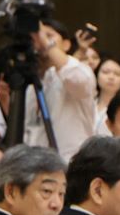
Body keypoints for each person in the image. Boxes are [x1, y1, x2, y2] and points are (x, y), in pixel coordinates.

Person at [23, 18, 102, 162]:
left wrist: (45, 42)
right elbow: (30, 129)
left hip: (71, 165)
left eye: (49, 35)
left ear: (66, 45)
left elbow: (75, 77)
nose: (41, 42)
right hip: (36, 166)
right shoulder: (32, 85)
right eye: (36, 38)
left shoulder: (81, 70)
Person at [93, 56, 120, 127]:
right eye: (105, 72)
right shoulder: (86, 103)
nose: (111, 77)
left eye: (117, 74)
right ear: (96, 75)